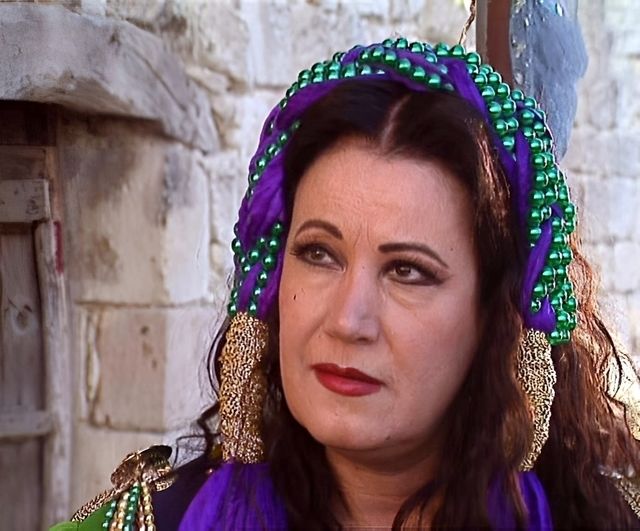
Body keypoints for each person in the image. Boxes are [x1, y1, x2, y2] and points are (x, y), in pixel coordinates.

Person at [53, 37, 640, 530]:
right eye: (318, 254)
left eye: (407, 271)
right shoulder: (143, 521)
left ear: (497, 317)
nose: (346, 319)